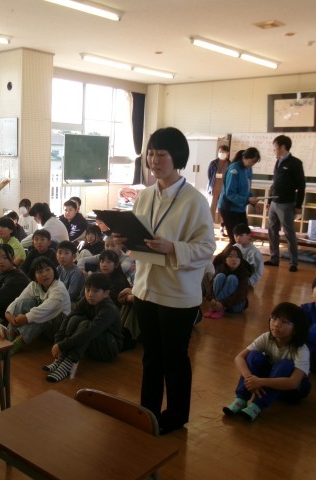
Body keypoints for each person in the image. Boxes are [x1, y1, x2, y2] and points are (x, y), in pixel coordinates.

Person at [115, 127, 215, 435]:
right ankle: (148, 410)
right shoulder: (145, 196)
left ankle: (176, 415)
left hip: (177, 294)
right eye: (151, 154)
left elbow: (207, 248)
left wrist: (173, 247)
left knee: (174, 359)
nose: (154, 160)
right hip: (146, 289)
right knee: (151, 357)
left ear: (177, 157)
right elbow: (138, 240)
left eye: (161, 154)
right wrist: (123, 240)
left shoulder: (194, 201)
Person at [222, 302, 311, 422]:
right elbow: (239, 358)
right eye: (274, 318)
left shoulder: (301, 349)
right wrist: (250, 379)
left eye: (284, 322)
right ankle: (241, 399)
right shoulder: (267, 337)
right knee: (254, 356)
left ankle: (257, 405)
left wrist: (260, 381)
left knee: (285, 365)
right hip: (269, 382)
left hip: (291, 391)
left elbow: (293, 383)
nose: (276, 324)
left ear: (296, 329)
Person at [44, 272, 123, 382]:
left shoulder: (108, 309)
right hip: (92, 342)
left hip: (108, 348)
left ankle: (68, 364)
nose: (90, 294)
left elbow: (90, 333)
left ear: (106, 293)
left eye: (95, 291)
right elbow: (68, 317)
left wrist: (62, 345)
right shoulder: (85, 300)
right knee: (74, 319)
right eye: (88, 289)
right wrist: (58, 341)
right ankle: (61, 359)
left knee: (85, 325)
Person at [5, 257, 71, 355]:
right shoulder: (34, 285)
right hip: (44, 321)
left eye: (48, 269)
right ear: (34, 276)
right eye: (40, 272)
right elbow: (19, 300)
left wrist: (26, 318)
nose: (45, 274)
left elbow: (45, 310)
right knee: (24, 302)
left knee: (42, 317)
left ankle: (17, 343)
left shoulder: (59, 289)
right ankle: (9, 336)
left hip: (59, 326)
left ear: (54, 270)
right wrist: (8, 313)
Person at [265, 135, 306, 272]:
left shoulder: (295, 163)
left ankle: (293, 262)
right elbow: (274, 183)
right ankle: (274, 259)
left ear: (283, 147)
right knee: (272, 231)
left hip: (286, 204)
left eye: (275, 148)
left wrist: (298, 205)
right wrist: (269, 200)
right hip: (274, 203)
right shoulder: (278, 161)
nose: (274, 150)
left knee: (289, 233)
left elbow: (301, 186)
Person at [217, 147, 260, 244]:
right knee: (236, 240)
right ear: (244, 157)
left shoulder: (248, 169)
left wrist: (253, 201)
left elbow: (247, 189)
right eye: (252, 161)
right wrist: (247, 200)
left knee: (245, 237)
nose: (252, 164)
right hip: (229, 208)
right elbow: (230, 194)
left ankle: (238, 253)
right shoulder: (234, 169)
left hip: (240, 208)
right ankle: (227, 254)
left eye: (255, 162)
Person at [204, 245, 252, 319]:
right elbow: (211, 285)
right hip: (220, 303)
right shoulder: (220, 268)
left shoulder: (244, 272)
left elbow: (241, 294)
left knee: (232, 278)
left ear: (241, 259)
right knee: (220, 276)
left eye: (237, 257)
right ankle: (217, 307)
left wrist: (222, 304)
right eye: (230, 256)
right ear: (225, 259)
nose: (234, 259)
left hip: (235, 305)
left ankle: (217, 308)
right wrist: (212, 299)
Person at [207, 144, 230, 236]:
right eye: (220, 151)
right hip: (213, 189)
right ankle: (210, 228)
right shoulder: (213, 163)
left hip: (224, 191)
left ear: (228, 153)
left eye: (223, 152)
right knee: (211, 209)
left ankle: (222, 228)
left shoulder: (230, 164)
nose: (221, 153)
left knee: (223, 210)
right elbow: (209, 175)